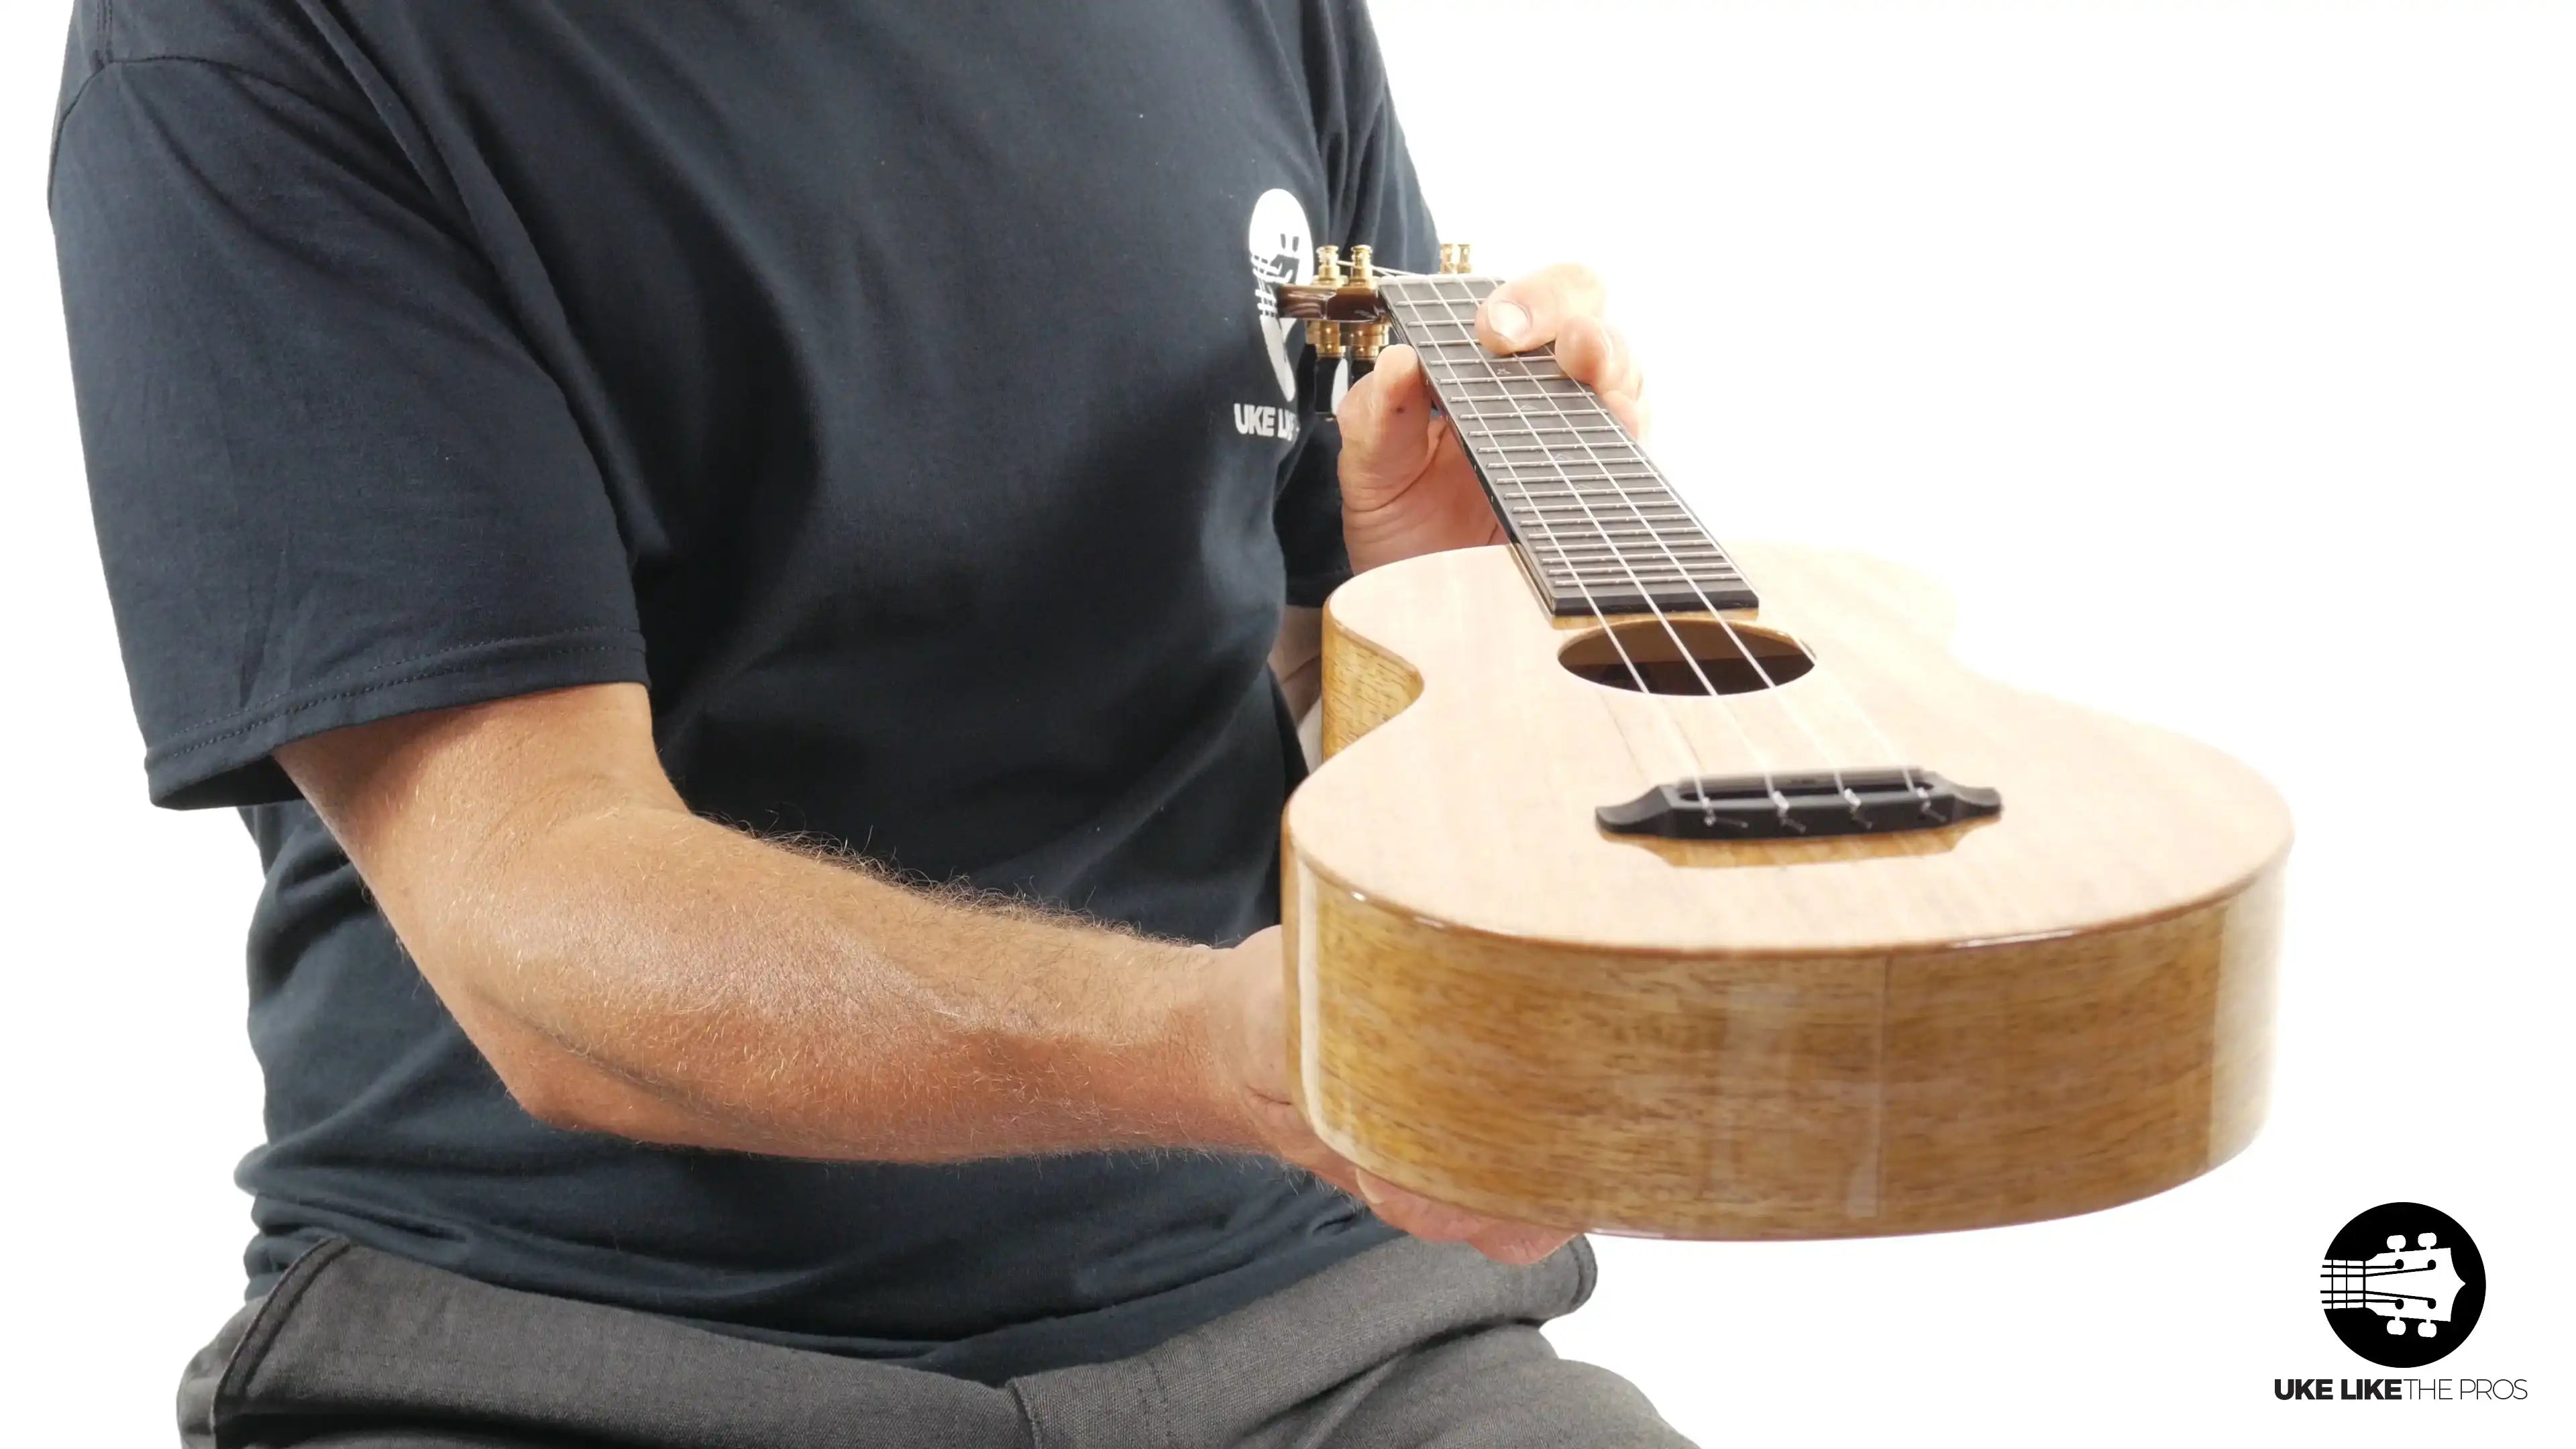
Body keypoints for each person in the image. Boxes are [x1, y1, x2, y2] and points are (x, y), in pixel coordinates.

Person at [51, 2, 1686, 1444]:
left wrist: (1438, 622)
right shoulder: (255, 40)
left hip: (1319, 1325)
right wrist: (1235, 1052)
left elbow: (1325, 655)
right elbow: (531, 902)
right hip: (580, 1360)